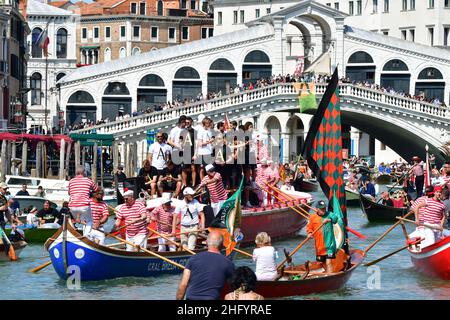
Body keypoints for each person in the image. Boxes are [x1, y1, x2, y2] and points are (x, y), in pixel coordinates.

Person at [176, 231, 235, 300]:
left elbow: (183, 285)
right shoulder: (228, 263)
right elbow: (231, 290)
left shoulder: (193, 259)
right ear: (222, 245)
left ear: (206, 243)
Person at [306, 200, 340, 274]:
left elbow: (336, 219)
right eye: (321, 209)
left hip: (329, 245)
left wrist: (329, 220)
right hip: (319, 247)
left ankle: (330, 278)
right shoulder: (312, 217)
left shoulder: (329, 214)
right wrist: (309, 233)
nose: (324, 211)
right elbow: (309, 228)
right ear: (317, 209)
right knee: (321, 263)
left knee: (328, 263)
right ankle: (328, 273)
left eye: (324, 208)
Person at [68, 165, 98, 234]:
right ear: (84, 172)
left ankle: (76, 226)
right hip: (84, 205)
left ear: (76, 173)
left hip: (72, 206)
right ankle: (86, 235)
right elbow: (96, 189)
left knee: (79, 219)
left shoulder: (71, 181)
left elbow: (69, 193)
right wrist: (89, 191)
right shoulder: (88, 180)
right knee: (89, 221)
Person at [148, 131, 172, 196]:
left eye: (160, 136)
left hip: (164, 168)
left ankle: (162, 197)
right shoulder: (152, 146)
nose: (159, 138)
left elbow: (170, 158)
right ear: (156, 137)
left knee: (162, 184)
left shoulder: (167, 147)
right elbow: (149, 157)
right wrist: (150, 167)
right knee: (154, 184)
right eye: (158, 136)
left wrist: (167, 165)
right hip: (155, 168)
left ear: (163, 137)